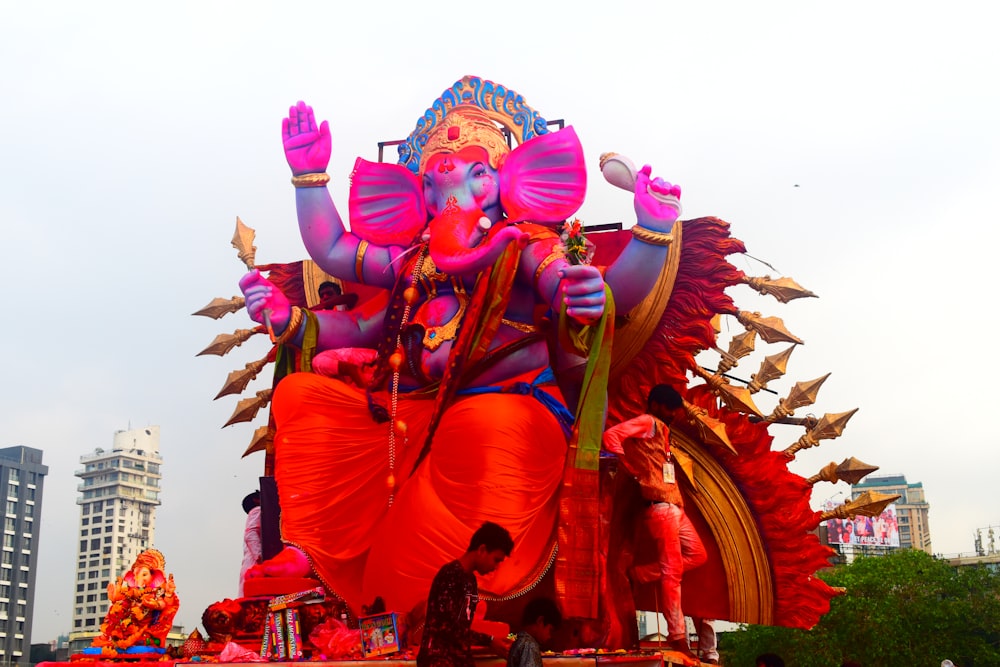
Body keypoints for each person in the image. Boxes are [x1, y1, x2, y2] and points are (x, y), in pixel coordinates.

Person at [602, 384, 708, 662]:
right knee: (673, 576)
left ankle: (643, 573)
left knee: (698, 555)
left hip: (674, 506)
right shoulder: (648, 421)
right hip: (659, 507)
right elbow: (612, 436)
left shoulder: (661, 429)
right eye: (671, 408)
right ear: (658, 405)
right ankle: (678, 637)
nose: (674, 413)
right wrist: (627, 467)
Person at [417, 522, 514, 667]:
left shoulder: (470, 580)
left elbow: (462, 629)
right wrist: (489, 640)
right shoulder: (450, 575)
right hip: (438, 660)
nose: (495, 567)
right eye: (496, 560)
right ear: (482, 549)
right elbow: (446, 628)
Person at [507, 597, 562, 667]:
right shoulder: (529, 645)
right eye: (550, 630)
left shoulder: (520, 640)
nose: (549, 636)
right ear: (540, 621)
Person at [238, 491, 262, 597]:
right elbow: (250, 534)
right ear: (256, 500)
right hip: (255, 565)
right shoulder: (257, 510)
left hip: (252, 565)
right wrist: (261, 556)